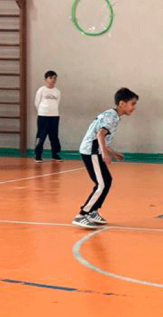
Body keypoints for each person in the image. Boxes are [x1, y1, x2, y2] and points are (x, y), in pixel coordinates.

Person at [72, 88, 139, 229]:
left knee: (106, 181)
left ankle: (93, 211)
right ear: (122, 103)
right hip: (91, 151)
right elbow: (100, 134)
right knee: (101, 184)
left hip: (93, 150)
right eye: (132, 104)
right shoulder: (111, 117)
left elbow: (102, 137)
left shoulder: (113, 115)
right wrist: (104, 153)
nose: (134, 108)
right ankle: (82, 214)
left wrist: (112, 152)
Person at [34, 70, 63, 162]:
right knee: (41, 135)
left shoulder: (57, 91)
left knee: (54, 135)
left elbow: (57, 102)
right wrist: (42, 111)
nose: (53, 80)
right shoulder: (41, 90)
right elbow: (37, 102)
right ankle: (38, 155)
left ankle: (55, 154)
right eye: (50, 78)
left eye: (54, 78)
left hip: (54, 116)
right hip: (43, 116)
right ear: (46, 79)